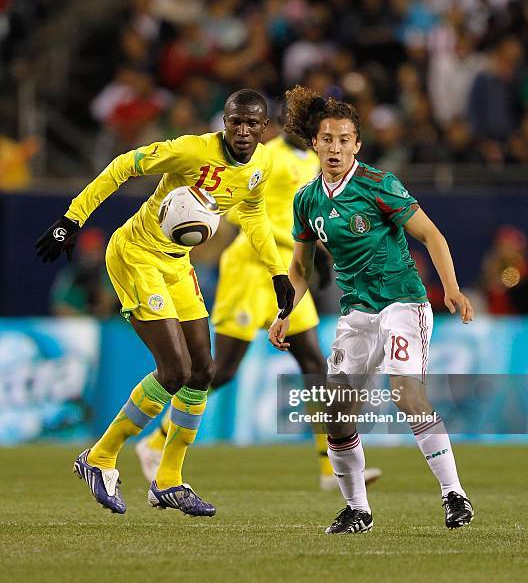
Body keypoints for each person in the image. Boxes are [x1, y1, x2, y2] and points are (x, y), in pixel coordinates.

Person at [35, 89, 295, 517]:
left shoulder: (262, 164)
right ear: (223, 122)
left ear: (264, 128)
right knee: (174, 371)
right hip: (136, 254)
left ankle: (169, 479)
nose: (244, 131)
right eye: (236, 122)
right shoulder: (191, 150)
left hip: (177, 263)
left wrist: (277, 271)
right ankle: (99, 458)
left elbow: (252, 214)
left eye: (253, 124)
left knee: (203, 370)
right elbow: (124, 166)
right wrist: (72, 219)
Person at [269, 85, 475, 533]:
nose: (336, 148)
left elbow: (432, 236)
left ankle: (454, 495)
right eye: (328, 139)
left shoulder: (378, 185)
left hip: (403, 303)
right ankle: (357, 510)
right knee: (337, 413)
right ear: (315, 143)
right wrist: (285, 312)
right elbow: (300, 270)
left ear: (356, 145)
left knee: (406, 393)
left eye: (345, 140)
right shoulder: (307, 200)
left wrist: (452, 289)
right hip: (356, 313)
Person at [135, 121, 382, 490]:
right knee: (224, 369)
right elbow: (237, 211)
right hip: (250, 268)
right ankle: (155, 442)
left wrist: (322, 255)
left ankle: (331, 468)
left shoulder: (311, 163)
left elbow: (304, 218)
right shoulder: (271, 160)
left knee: (315, 363)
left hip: (290, 272)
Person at [50, 227, 119, 318]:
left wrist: (100, 300)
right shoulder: (71, 274)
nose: (94, 254)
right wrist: (83, 316)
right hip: (77, 326)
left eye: (97, 249)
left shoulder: (108, 272)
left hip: (108, 325)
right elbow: (58, 306)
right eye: (90, 249)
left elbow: (110, 303)